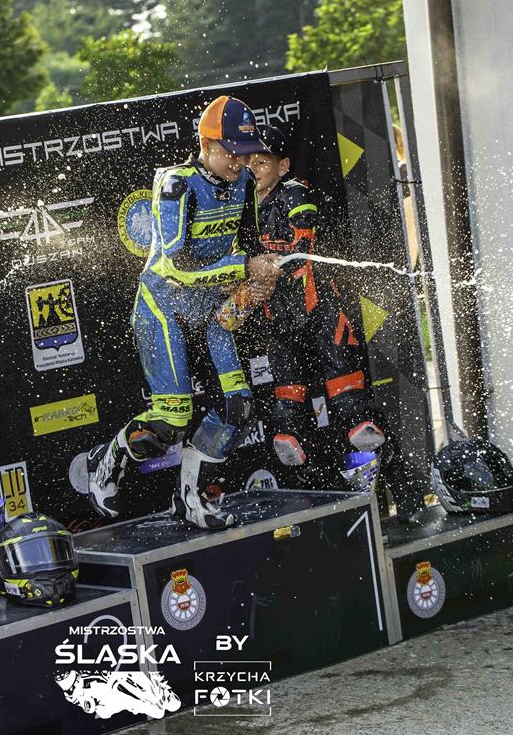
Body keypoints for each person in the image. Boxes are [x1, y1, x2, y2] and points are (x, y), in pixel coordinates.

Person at [84, 96, 281, 529]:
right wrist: (244, 268)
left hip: (209, 307)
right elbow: (178, 267)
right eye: (232, 151)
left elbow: (249, 246)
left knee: (237, 409)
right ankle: (108, 459)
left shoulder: (244, 182)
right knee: (170, 423)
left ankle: (189, 499)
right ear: (206, 145)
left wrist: (257, 283)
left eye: (246, 152)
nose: (240, 161)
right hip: (163, 306)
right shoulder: (177, 184)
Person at [244, 125, 387, 480]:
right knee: (286, 385)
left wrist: (263, 264)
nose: (253, 169)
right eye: (248, 162)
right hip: (278, 315)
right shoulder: (241, 207)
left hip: (318, 305)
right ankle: (290, 441)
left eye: (262, 162)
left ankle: (361, 427)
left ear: (283, 166)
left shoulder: (295, 191)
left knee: (341, 372)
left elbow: (301, 243)